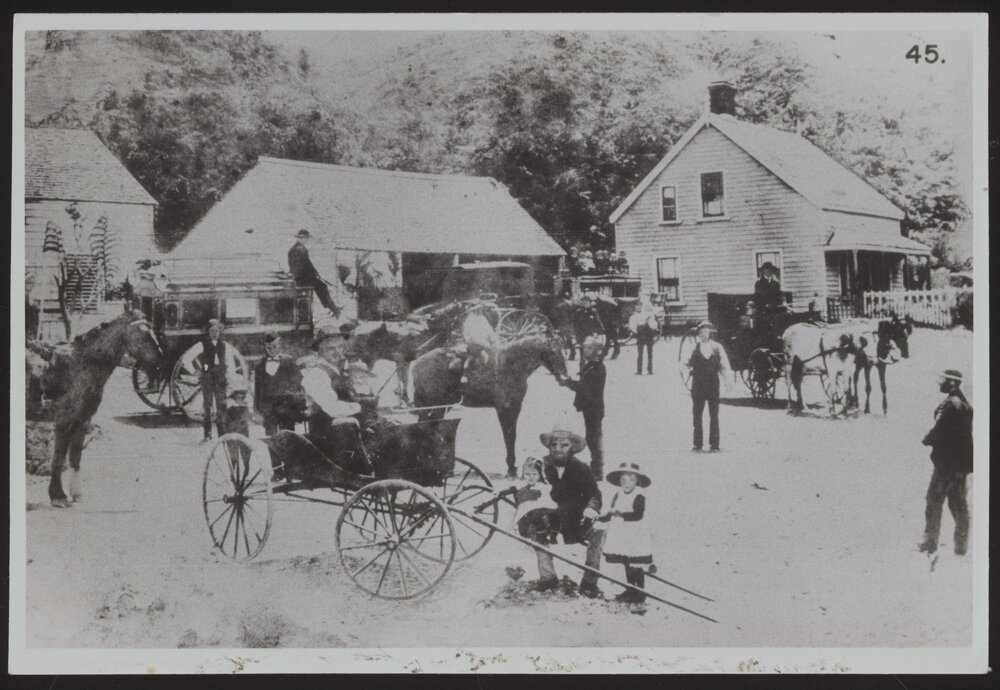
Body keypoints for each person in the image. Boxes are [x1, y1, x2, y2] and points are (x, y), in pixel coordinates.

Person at [536, 426, 606, 598]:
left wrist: (591, 508)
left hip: (576, 520)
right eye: (554, 444)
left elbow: (594, 493)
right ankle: (548, 578)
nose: (558, 449)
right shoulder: (540, 465)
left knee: (599, 532)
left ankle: (589, 582)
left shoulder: (581, 468)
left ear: (572, 447)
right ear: (549, 446)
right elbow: (528, 486)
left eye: (564, 445)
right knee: (535, 530)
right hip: (550, 520)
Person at [300, 329, 373, 475]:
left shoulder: (339, 372)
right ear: (320, 351)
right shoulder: (316, 375)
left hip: (341, 426)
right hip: (326, 431)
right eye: (331, 348)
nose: (337, 352)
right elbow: (331, 408)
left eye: (340, 347)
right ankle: (361, 467)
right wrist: (359, 406)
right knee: (349, 422)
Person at [918, 369, 973, 556]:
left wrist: (927, 439)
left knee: (934, 500)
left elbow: (940, 429)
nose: (940, 383)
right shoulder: (962, 402)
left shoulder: (952, 404)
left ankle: (930, 541)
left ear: (952, 383)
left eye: (943, 380)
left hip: (946, 464)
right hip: (959, 464)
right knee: (958, 503)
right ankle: (961, 546)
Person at [600, 462, 654, 604]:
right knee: (626, 562)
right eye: (623, 480)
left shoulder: (639, 494)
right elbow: (611, 510)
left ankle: (640, 592)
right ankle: (630, 589)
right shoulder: (618, 493)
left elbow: (638, 515)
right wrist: (602, 517)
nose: (627, 483)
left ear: (637, 481)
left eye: (631, 480)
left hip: (635, 533)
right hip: (620, 534)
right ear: (619, 481)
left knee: (636, 564)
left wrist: (621, 514)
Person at [482, 457, 561, 544]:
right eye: (527, 474)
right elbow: (501, 494)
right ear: (523, 474)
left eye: (534, 474)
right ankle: (539, 537)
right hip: (524, 523)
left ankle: (551, 536)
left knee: (553, 513)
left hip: (541, 520)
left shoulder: (543, 487)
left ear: (540, 474)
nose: (531, 477)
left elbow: (546, 502)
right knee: (534, 515)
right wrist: (484, 505)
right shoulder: (519, 486)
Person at [560, 335, 606, 480]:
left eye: (589, 347)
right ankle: (596, 468)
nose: (585, 350)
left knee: (594, 438)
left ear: (596, 349)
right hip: (591, 407)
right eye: (585, 347)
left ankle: (597, 471)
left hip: (593, 407)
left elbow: (585, 387)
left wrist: (568, 383)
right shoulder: (592, 365)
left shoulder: (596, 366)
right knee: (592, 437)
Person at [685, 321, 733, 452]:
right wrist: (687, 370)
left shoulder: (717, 347)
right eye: (701, 332)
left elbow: (724, 366)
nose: (703, 334)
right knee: (697, 415)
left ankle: (715, 444)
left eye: (706, 331)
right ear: (698, 334)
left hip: (713, 384)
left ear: (710, 333)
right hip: (698, 385)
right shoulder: (693, 348)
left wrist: (728, 381)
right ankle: (697, 444)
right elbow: (684, 363)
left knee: (714, 415)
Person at [253, 332, 305, 436]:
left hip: (286, 407)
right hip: (268, 409)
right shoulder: (259, 366)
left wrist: (297, 403)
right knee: (271, 438)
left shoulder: (289, 362)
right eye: (268, 347)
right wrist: (256, 410)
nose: (271, 350)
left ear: (279, 346)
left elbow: (298, 382)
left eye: (274, 346)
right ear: (264, 347)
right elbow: (257, 390)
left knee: (288, 436)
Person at [199, 319, 238, 443]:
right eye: (212, 331)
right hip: (208, 378)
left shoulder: (225, 346)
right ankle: (207, 434)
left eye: (217, 331)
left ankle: (222, 435)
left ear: (220, 332)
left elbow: (230, 364)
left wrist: (230, 378)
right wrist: (197, 371)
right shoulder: (202, 344)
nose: (214, 333)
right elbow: (187, 358)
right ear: (208, 332)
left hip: (220, 379)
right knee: (207, 407)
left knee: (221, 406)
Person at [287, 229, 340, 317]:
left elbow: (306, 265)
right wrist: (314, 274)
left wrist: (315, 273)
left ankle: (331, 307)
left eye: (307, 238)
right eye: (305, 238)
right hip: (301, 278)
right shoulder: (301, 249)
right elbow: (306, 265)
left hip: (297, 277)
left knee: (320, 284)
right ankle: (333, 308)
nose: (307, 240)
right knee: (322, 286)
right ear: (301, 238)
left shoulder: (293, 249)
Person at [628, 300, 658, 375]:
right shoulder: (634, 316)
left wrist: (652, 327)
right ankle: (639, 370)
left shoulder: (648, 315)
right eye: (636, 306)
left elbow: (653, 324)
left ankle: (650, 370)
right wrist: (636, 330)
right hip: (640, 335)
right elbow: (633, 326)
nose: (638, 307)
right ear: (634, 307)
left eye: (640, 306)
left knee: (650, 353)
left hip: (649, 335)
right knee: (640, 353)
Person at [572, 294, 604, 362]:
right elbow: (575, 325)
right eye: (584, 302)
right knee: (582, 352)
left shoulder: (593, 311)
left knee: (593, 353)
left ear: (590, 302)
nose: (585, 303)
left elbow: (598, 322)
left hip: (592, 335)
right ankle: (582, 369)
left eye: (587, 302)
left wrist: (598, 332)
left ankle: (593, 368)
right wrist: (577, 336)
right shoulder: (578, 312)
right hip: (582, 335)